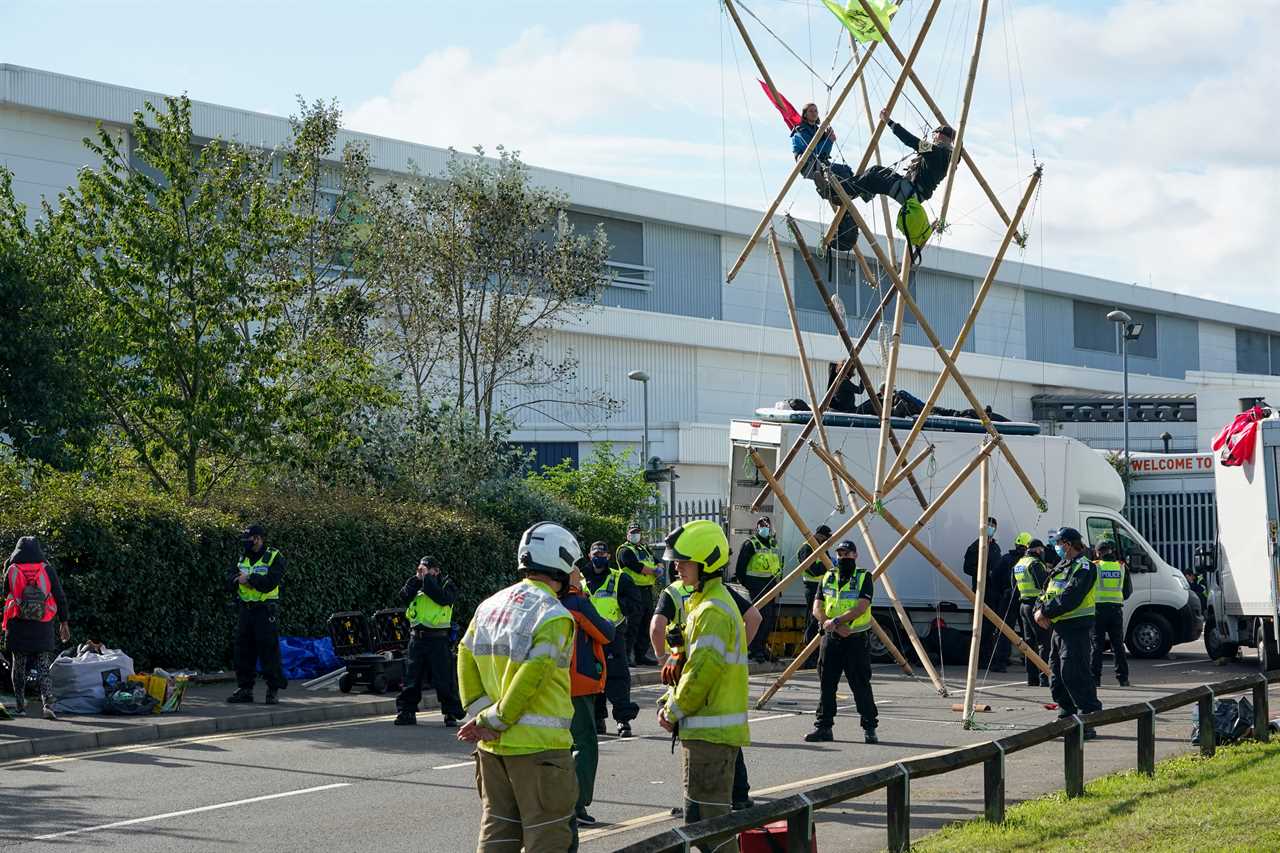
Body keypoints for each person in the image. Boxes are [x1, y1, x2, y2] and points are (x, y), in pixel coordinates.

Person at [457, 521, 580, 853]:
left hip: (492, 750)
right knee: (547, 837)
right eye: (575, 567)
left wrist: (482, 716)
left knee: (498, 833)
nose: (578, 575)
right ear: (562, 565)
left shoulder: (489, 605)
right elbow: (534, 675)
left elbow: (465, 653)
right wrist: (497, 719)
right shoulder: (552, 615)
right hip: (539, 752)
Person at [657, 520, 750, 853]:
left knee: (712, 832)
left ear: (707, 562)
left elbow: (701, 673)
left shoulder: (711, 611)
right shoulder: (706, 604)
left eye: (684, 561)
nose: (677, 567)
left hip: (710, 737)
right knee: (701, 825)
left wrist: (673, 709)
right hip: (708, 735)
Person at [652, 573, 763, 813]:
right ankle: (739, 795)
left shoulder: (682, 596)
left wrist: (663, 658)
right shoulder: (720, 595)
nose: (678, 566)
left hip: (694, 692)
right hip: (701, 690)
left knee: (706, 821)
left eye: (682, 560)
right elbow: (754, 617)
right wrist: (737, 646)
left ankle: (717, 800)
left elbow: (656, 627)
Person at [805, 540, 878, 744]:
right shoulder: (828, 577)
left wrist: (838, 621)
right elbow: (817, 608)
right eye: (840, 554)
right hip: (832, 638)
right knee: (827, 684)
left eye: (846, 554)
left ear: (855, 555)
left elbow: (861, 607)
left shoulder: (864, 577)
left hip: (855, 639)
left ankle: (870, 727)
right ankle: (824, 727)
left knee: (860, 684)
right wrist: (834, 626)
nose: (842, 557)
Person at [562, 558, 615, 828]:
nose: (580, 572)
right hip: (578, 683)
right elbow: (606, 633)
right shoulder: (577, 603)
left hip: (551, 684)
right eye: (575, 568)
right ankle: (577, 805)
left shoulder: (545, 601)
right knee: (583, 744)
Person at [1035, 527, 1102, 735]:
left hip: (1077, 628)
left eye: (1059, 543)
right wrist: (1038, 609)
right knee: (1056, 675)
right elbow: (1045, 590)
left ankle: (1087, 719)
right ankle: (1066, 715)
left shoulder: (1084, 567)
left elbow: (1072, 596)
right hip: (1059, 628)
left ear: (1068, 544)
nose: (1056, 547)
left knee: (1075, 673)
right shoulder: (1061, 566)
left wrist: (1045, 611)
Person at [2, 537, 70, 720]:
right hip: (43, 623)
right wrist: (64, 622)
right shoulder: (46, 569)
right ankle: (47, 704)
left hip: (18, 624)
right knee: (43, 666)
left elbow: (5, 593)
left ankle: (19, 706)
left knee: (19, 666)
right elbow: (59, 595)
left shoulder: (11, 569)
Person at [394, 555, 464, 727]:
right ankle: (406, 712)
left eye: (427, 569)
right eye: (420, 568)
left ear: (436, 570)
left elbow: (441, 598)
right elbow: (404, 596)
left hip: (438, 640)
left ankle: (450, 714)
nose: (423, 572)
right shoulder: (417, 583)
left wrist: (427, 579)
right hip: (416, 638)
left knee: (444, 679)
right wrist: (417, 579)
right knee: (412, 678)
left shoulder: (447, 585)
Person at [583, 541, 640, 737]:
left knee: (618, 677)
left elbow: (635, 604)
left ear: (608, 556)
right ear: (590, 555)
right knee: (592, 679)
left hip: (613, 635)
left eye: (603, 553)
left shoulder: (620, 578)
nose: (599, 556)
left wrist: (623, 605)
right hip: (588, 637)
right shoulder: (581, 580)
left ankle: (623, 720)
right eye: (595, 552)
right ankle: (598, 719)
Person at [226, 524, 287, 705]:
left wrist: (249, 579)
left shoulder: (274, 557)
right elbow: (229, 577)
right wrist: (237, 579)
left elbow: (270, 582)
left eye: (249, 540)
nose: (246, 543)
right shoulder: (242, 556)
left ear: (259, 538)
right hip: (246, 610)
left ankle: (273, 690)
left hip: (264, 610)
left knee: (269, 651)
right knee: (243, 651)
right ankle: (245, 689)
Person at [847, 109, 954, 205]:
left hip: (910, 193)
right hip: (912, 190)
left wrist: (889, 121)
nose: (933, 138)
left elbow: (910, 139)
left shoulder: (934, 151)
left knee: (871, 178)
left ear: (939, 135)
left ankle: (836, 191)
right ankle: (859, 192)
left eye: (934, 135)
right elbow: (958, 144)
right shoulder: (949, 157)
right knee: (876, 169)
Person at [735, 516, 783, 663]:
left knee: (769, 618)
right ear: (757, 527)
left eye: (767, 524)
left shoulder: (773, 544)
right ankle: (755, 649)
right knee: (759, 617)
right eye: (762, 525)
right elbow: (740, 568)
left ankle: (761, 647)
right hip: (756, 586)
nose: (765, 527)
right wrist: (748, 584)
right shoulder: (751, 544)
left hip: (770, 585)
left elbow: (776, 564)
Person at [616, 525, 661, 666]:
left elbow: (658, 560)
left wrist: (659, 567)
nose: (635, 535)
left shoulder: (644, 548)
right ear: (627, 535)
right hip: (632, 590)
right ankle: (627, 656)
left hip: (646, 590)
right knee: (632, 624)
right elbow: (638, 567)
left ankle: (641, 655)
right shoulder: (624, 551)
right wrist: (655, 571)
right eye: (632, 533)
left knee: (646, 622)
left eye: (637, 533)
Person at [964, 516, 1004, 670]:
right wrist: (984, 572)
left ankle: (988, 658)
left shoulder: (995, 546)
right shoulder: (976, 546)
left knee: (991, 628)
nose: (991, 527)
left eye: (993, 525)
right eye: (989, 525)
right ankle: (979, 660)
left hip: (994, 592)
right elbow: (967, 568)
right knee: (982, 627)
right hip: (982, 591)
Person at [1091, 540, 1132, 688]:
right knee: (1118, 645)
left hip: (1098, 610)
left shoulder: (1095, 567)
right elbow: (1127, 592)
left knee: (1097, 645)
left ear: (1098, 552)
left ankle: (1095, 679)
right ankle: (1123, 679)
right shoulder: (1121, 567)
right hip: (1115, 611)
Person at [990, 532, 1033, 672]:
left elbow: (994, 577)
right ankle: (1031, 663)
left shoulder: (1006, 559)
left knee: (1004, 631)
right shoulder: (1030, 562)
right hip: (1025, 599)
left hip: (1008, 598)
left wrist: (1002, 592)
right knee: (1028, 632)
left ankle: (1000, 662)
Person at [1012, 538, 1052, 687]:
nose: (1042, 552)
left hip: (1023, 605)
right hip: (1036, 606)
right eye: (1041, 549)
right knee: (1043, 642)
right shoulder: (1035, 564)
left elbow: (1013, 585)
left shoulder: (1020, 563)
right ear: (1037, 550)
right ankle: (1043, 677)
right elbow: (1043, 584)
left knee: (1029, 643)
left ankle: (1032, 678)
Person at [797, 525, 834, 666]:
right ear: (819, 535)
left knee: (818, 622)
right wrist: (828, 566)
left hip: (823, 588)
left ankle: (816, 654)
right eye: (826, 537)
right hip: (812, 588)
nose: (827, 540)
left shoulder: (821, 548)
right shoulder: (807, 548)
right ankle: (809, 655)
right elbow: (812, 570)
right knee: (813, 621)